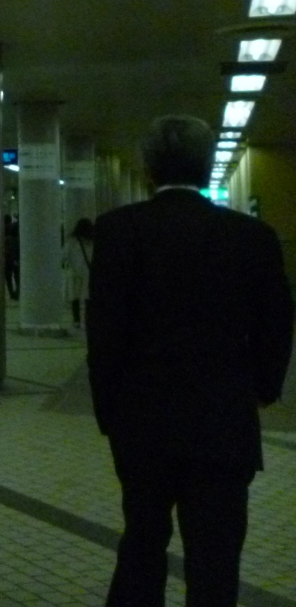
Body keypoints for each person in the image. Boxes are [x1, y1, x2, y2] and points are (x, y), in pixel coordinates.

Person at [87, 116, 293, 607]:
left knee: (142, 542)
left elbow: (104, 332)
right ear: (206, 166)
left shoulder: (118, 231)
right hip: (223, 421)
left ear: (147, 169)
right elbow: (277, 325)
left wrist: (109, 412)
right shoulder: (252, 237)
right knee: (216, 557)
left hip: (141, 421)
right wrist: (262, 390)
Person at [62, 217, 94, 327]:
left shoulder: (72, 241)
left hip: (74, 273)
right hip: (87, 273)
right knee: (87, 297)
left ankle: (77, 320)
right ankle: (88, 320)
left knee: (75, 298)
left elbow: (64, 256)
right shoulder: (92, 241)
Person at [3, 214, 20, 301]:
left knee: (8, 278)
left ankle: (12, 293)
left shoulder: (4, 234)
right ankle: (17, 292)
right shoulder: (15, 238)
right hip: (14, 258)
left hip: (7, 259)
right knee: (17, 276)